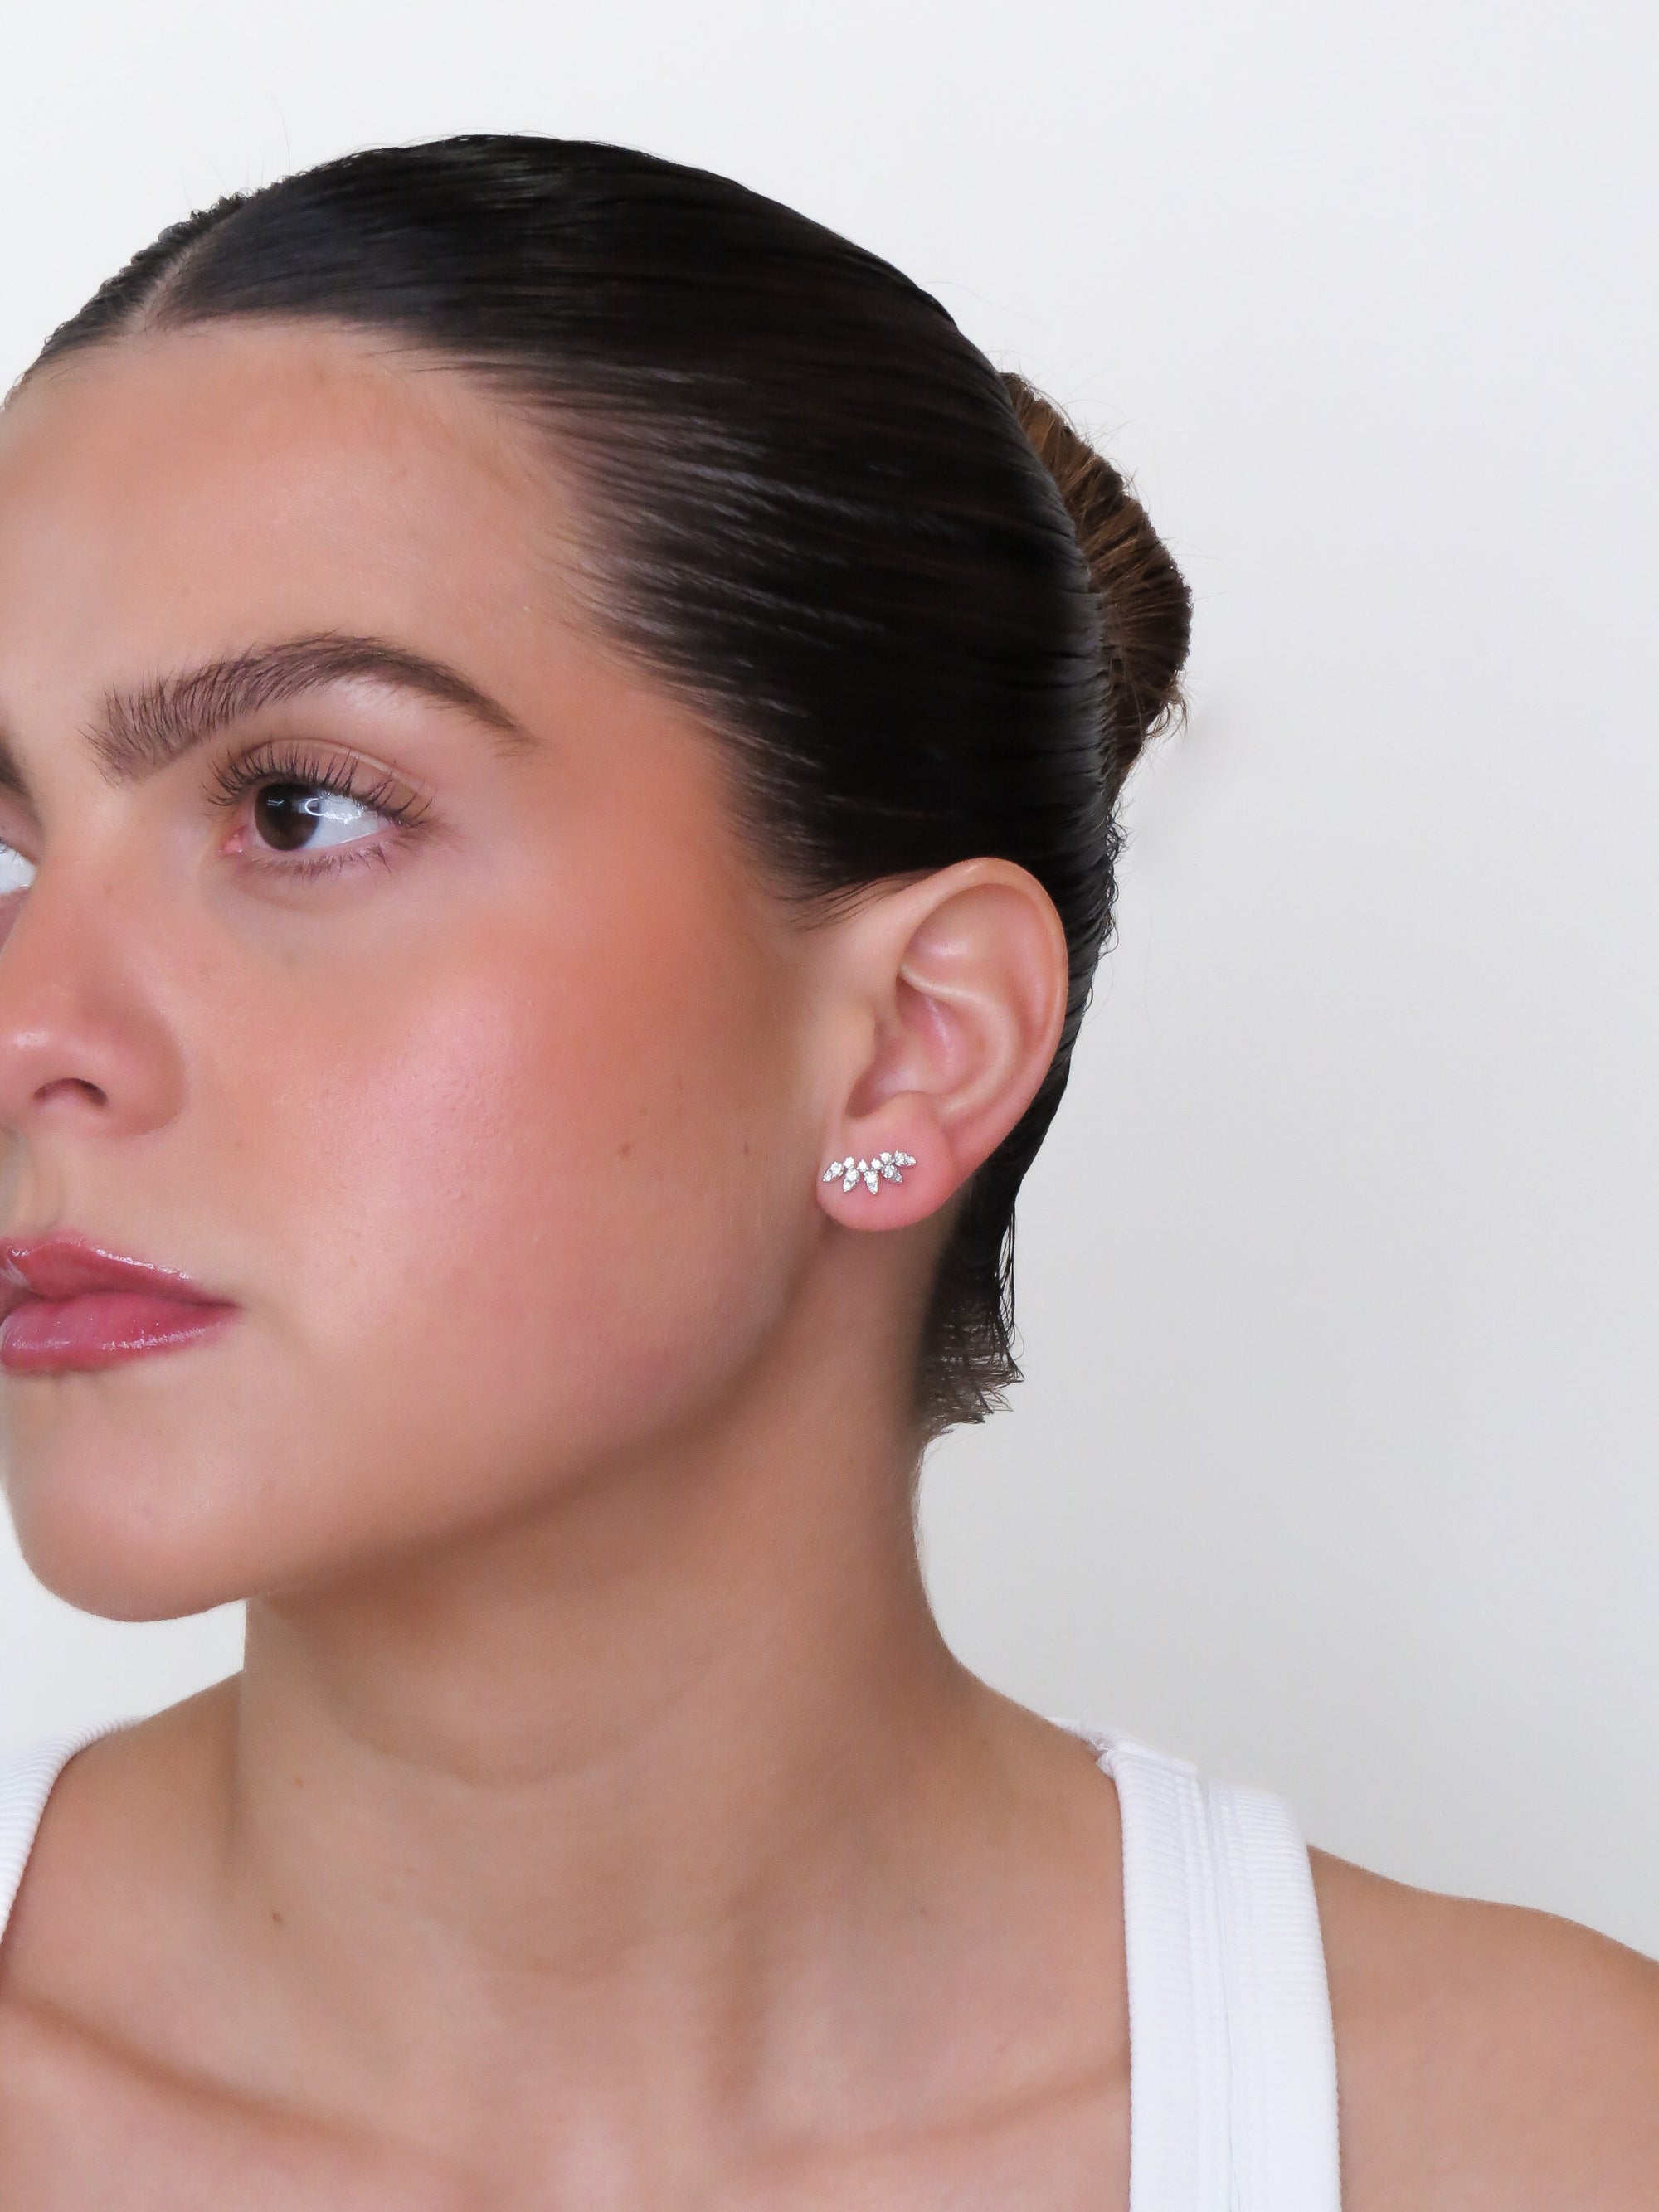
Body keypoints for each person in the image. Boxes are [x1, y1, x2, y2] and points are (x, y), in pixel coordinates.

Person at [0, 134, 1651, 2211]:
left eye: (302, 810)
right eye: (6, 846)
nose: (28, 1021)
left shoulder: (1543, 2144)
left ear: (909, 1038)